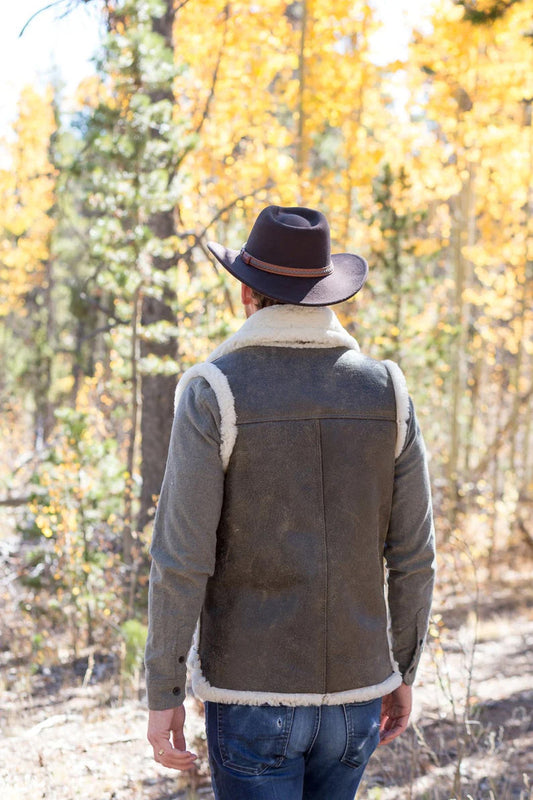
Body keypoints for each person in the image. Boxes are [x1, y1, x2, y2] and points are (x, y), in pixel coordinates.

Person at [145, 205, 435, 800]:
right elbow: (413, 555)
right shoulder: (387, 390)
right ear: (327, 295)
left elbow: (181, 559)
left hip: (253, 697)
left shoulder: (214, 390)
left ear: (247, 295)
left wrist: (163, 694)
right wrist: (401, 671)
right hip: (358, 696)